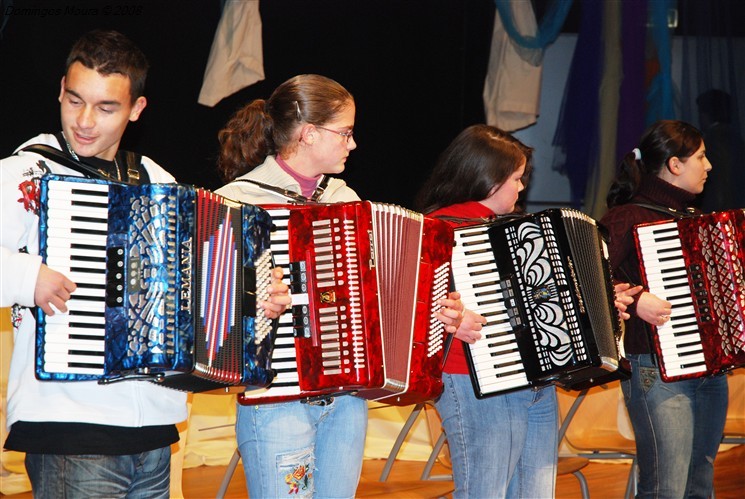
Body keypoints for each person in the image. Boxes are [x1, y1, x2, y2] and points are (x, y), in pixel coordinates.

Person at [0, 29, 289, 498]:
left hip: (155, 428)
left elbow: (196, 286)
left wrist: (254, 299)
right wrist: (26, 276)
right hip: (70, 425)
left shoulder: (154, 180)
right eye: (75, 101)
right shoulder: (25, 172)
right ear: (60, 91)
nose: (85, 121)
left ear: (136, 109)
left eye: (107, 107)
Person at [214, 74, 465, 498]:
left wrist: (435, 309)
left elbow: (381, 297)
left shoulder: (346, 200)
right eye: (345, 133)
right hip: (278, 401)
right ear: (309, 133)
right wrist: (253, 301)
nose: (353, 144)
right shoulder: (237, 201)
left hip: (347, 400)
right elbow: (212, 317)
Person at [415, 124, 641, 498]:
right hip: (472, 382)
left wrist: (602, 301)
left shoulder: (519, 229)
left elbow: (552, 303)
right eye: (517, 179)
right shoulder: (435, 230)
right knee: (485, 492)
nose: (522, 188)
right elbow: (408, 309)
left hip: (537, 383)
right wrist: (447, 315)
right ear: (488, 179)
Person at [600, 119, 728, 499]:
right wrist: (637, 300)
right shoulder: (626, 217)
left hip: (709, 370)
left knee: (699, 486)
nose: (708, 166)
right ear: (674, 164)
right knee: (665, 489)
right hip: (653, 369)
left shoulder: (695, 220)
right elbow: (584, 279)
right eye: (701, 157)